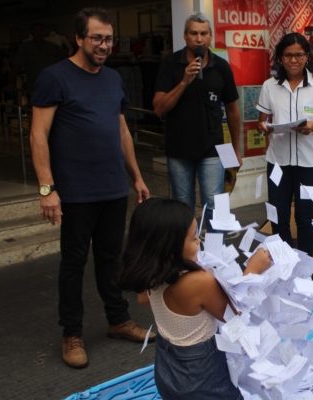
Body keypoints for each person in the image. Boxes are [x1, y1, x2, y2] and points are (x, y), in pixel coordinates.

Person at [29, 7, 153, 369]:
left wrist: (136, 176)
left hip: (113, 187)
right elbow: (38, 134)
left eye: (109, 39)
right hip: (76, 191)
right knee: (73, 263)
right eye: (96, 38)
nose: (103, 45)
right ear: (79, 38)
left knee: (112, 259)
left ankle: (118, 319)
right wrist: (46, 189)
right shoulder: (55, 78)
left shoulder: (113, 78)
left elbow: (121, 130)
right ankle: (72, 333)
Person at [118, 198, 272, 399]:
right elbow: (235, 314)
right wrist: (253, 270)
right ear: (169, 246)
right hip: (201, 373)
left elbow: (144, 300)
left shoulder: (151, 273)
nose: (199, 241)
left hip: (167, 366)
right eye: (193, 238)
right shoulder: (198, 282)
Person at [153, 13, 241, 230]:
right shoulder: (170, 64)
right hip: (179, 149)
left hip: (212, 149)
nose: (199, 39)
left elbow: (232, 110)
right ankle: (188, 258)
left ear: (210, 37)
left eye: (204, 34)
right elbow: (159, 108)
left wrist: (236, 151)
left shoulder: (221, 67)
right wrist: (184, 81)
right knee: (182, 207)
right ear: (185, 36)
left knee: (214, 204)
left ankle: (215, 258)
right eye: (194, 33)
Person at [257, 32, 313, 254]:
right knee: (278, 214)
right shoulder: (269, 86)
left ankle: (304, 266)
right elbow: (262, 121)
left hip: (310, 165)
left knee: (305, 216)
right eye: (288, 55)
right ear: (280, 58)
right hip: (278, 163)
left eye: (299, 55)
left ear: (307, 57)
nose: (294, 60)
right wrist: (265, 127)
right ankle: (283, 263)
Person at [13, 22, 65, 98]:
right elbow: (16, 65)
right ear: (32, 33)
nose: (38, 33)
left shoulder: (53, 47)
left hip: (52, 85)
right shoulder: (25, 48)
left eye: (40, 30)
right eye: (36, 31)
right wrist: (11, 82)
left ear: (44, 32)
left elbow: (64, 63)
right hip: (34, 85)